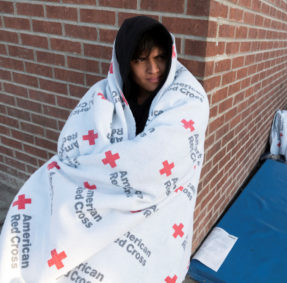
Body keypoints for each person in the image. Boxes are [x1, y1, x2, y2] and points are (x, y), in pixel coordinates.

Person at [0, 16, 209, 283]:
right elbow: (71, 155)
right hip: (101, 203)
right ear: (124, 61)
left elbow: (155, 164)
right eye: (140, 60)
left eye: (160, 57)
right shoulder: (101, 96)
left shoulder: (187, 98)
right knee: (41, 195)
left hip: (157, 209)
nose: (154, 69)